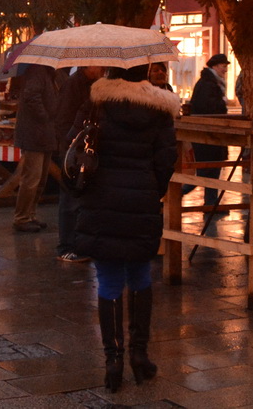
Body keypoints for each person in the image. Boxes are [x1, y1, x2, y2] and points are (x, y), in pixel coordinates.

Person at [75, 64, 179, 391]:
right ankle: (139, 354)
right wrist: (151, 189)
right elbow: (166, 160)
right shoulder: (159, 110)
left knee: (108, 280)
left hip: (101, 200)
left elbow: (73, 145)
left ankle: (113, 360)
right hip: (141, 199)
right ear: (144, 72)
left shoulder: (96, 103)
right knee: (140, 274)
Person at [56, 64, 105, 263]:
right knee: (70, 200)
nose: (103, 67)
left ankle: (80, 244)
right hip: (73, 149)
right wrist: (70, 147)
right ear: (87, 65)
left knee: (82, 201)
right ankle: (66, 247)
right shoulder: (73, 85)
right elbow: (64, 119)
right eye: (98, 64)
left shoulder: (96, 84)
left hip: (85, 149)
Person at [184, 53, 231, 233]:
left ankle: (211, 203)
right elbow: (209, 107)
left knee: (213, 170)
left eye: (226, 66)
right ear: (214, 66)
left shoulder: (212, 82)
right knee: (203, 172)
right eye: (223, 66)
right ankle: (172, 196)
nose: (225, 69)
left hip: (211, 136)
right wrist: (222, 104)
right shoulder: (208, 84)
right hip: (207, 135)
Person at [11, 63, 61, 232]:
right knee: (32, 178)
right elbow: (31, 96)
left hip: (44, 133)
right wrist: (44, 116)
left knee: (40, 179)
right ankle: (22, 217)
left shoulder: (48, 73)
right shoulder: (37, 71)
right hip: (34, 133)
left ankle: (30, 214)